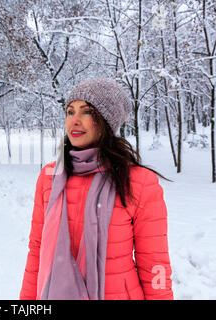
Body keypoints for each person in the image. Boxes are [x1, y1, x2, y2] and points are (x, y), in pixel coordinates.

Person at [19, 78, 174, 300]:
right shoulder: (49, 178)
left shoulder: (139, 182)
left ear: (107, 121)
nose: (75, 121)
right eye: (70, 112)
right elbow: (37, 251)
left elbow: (155, 263)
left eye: (87, 112)